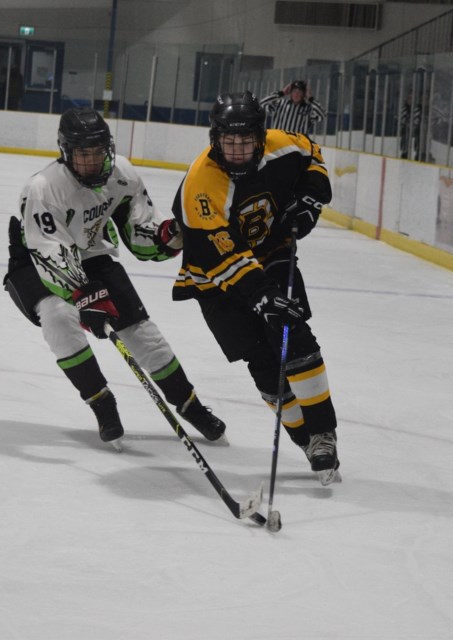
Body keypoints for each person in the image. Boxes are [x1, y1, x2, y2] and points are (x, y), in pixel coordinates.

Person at [3, 107, 227, 450]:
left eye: (97, 152)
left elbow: (139, 229)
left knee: (141, 331)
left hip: (92, 254)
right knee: (59, 317)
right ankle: (102, 404)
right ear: (66, 153)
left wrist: (165, 236)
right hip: (34, 263)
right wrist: (84, 295)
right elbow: (49, 251)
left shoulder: (122, 174)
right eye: (82, 154)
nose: (92, 162)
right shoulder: (45, 187)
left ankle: (190, 404)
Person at [169, 91, 341, 485]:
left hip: (272, 251)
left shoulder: (282, 145)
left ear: (261, 137)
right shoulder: (201, 183)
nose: (238, 151)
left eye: (246, 142)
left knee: (292, 332)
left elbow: (312, 153)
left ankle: (323, 434)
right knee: (263, 364)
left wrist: (312, 198)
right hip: (213, 276)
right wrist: (262, 296)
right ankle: (303, 438)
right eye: (229, 142)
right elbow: (221, 257)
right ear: (215, 139)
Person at [259, 80, 326, 136]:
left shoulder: (308, 109)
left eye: (299, 92)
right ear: (290, 92)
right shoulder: (280, 103)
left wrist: (310, 98)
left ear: (304, 94)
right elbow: (262, 103)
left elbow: (322, 115)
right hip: (278, 142)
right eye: (294, 91)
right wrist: (281, 93)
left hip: (296, 146)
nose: (296, 94)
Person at [399, 90, 422, 159]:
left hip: (416, 139)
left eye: (412, 98)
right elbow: (402, 120)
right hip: (406, 138)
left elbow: (418, 122)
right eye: (409, 98)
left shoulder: (418, 110)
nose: (410, 100)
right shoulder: (404, 109)